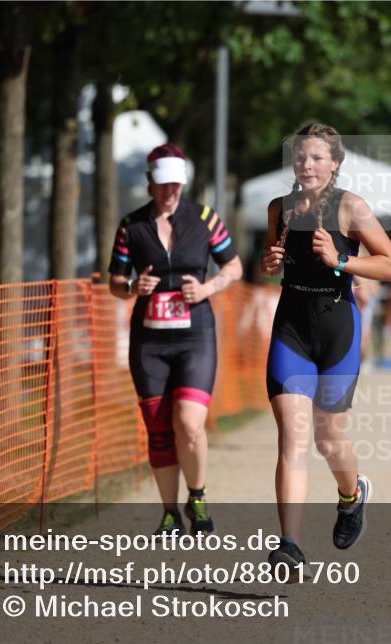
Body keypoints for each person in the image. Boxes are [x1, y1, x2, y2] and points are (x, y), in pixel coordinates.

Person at [261, 123, 391, 570]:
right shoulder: (279, 209)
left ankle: (351, 494)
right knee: (292, 437)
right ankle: (290, 547)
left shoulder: (351, 209)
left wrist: (341, 259)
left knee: (328, 437)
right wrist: (269, 262)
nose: (307, 165)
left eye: (317, 158)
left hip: (337, 326)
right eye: (301, 158)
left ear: (334, 164)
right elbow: (272, 263)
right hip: (291, 327)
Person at [108, 143, 243, 536]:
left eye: (177, 184)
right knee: (158, 427)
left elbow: (233, 266)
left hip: (195, 336)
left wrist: (208, 289)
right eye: (164, 184)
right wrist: (133, 286)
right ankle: (169, 512)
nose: (172, 192)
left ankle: (197, 496)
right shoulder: (131, 225)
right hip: (149, 342)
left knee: (188, 421)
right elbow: (116, 281)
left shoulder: (204, 218)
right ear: (150, 184)